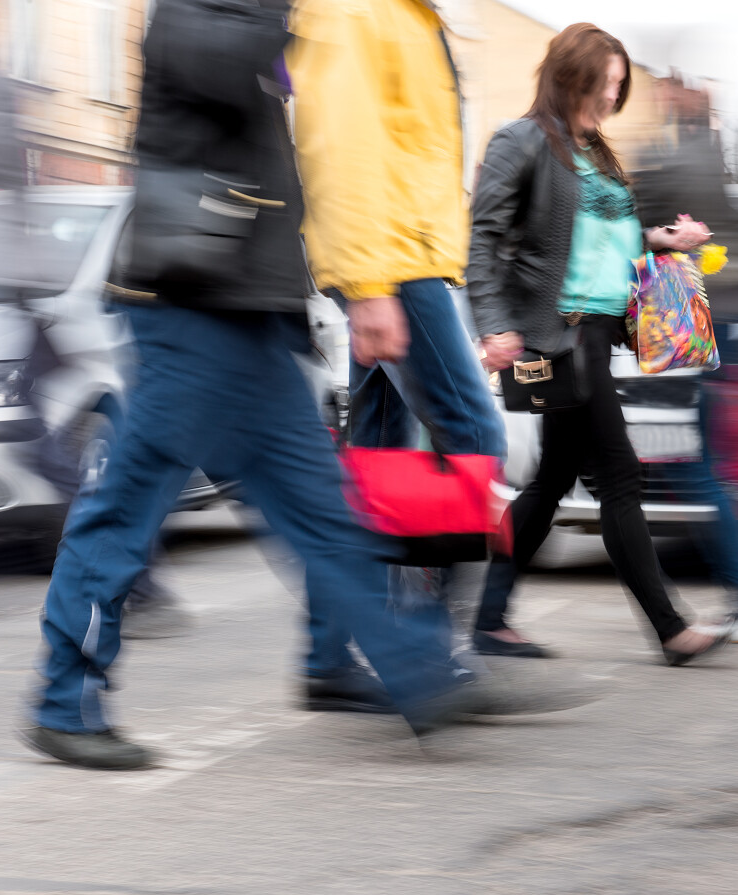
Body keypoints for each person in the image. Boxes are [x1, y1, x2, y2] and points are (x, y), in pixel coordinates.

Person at [18, 0, 530, 770]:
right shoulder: (191, 15)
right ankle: (63, 700)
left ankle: (423, 674)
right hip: (184, 309)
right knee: (129, 502)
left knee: (323, 507)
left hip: (247, 310)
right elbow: (237, 63)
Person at [467, 23, 732, 665]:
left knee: (553, 480)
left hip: (600, 332)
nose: (614, 96)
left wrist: (659, 240)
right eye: (605, 83)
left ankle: (488, 620)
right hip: (560, 333)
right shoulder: (523, 140)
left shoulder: (596, 152)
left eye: (620, 85)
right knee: (617, 476)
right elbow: (483, 236)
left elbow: (597, 236)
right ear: (571, 77)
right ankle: (670, 628)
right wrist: (493, 322)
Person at [287, 0, 507, 706]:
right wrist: (371, 286)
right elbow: (337, 146)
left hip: (410, 260)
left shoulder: (416, 18)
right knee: (474, 436)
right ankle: (425, 657)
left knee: (371, 462)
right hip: (394, 265)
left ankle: (328, 657)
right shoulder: (359, 10)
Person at [632, 108, 738, 644]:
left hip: (699, 325)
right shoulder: (692, 155)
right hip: (709, 325)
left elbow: (664, 235)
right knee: (708, 468)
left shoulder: (682, 161)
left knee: (700, 467)